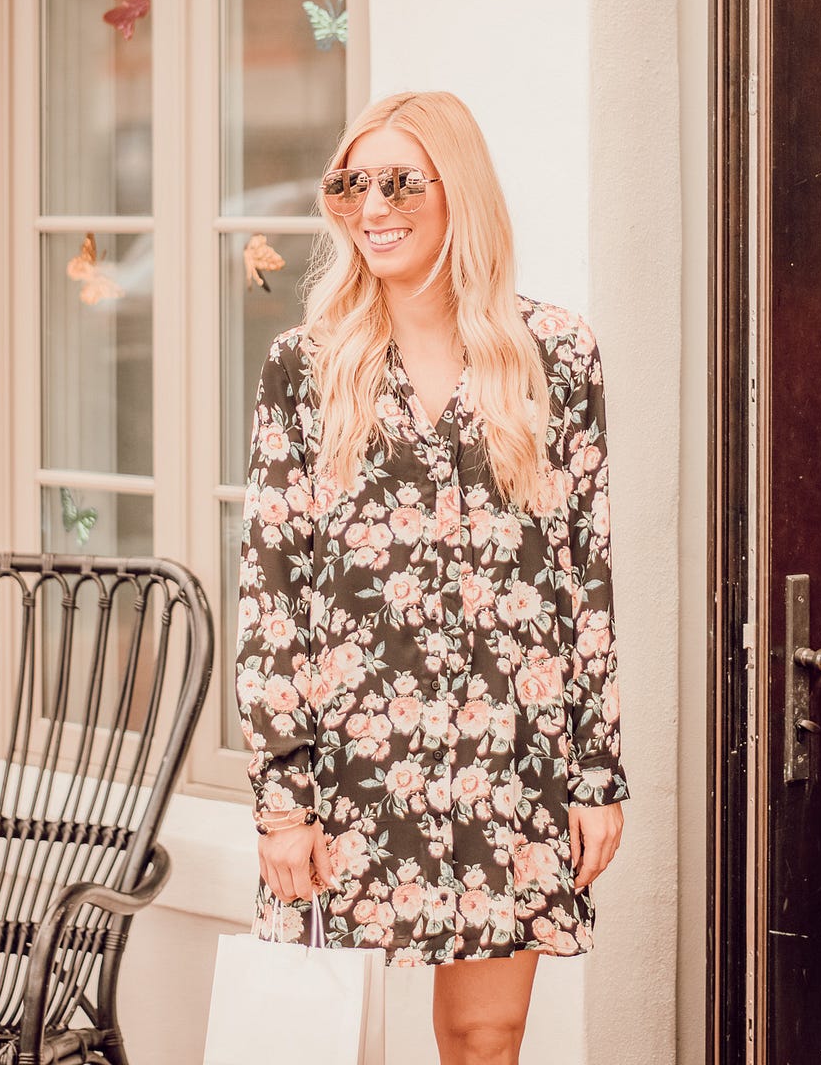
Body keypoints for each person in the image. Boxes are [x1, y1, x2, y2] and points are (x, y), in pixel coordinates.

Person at [235, 89, 627, 1065]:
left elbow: (584, 574)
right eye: (351, 184)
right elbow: (272, 585)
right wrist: (284, 797)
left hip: (510, 760)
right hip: (352, 764)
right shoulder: (306, 366)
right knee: (315, 1039)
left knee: (484, 1038)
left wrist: (597, 775)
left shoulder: (556, 355)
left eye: (400, 180)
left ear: (462, 194)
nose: (373, 205)